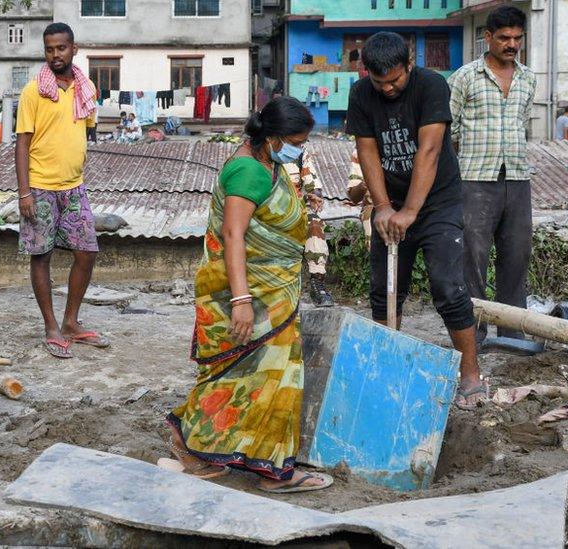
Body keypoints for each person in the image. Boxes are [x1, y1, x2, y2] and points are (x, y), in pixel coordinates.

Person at [163, 96, 333, 493]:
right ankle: (272, 471)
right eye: (295, 141)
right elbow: (233, 235)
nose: (300, 149)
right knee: (274, 374)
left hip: (268, 291)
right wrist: (242, 301)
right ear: (273, 138)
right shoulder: (249, 173)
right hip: (250, 296)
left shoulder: (265, 163)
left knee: (253, 373)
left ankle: (218, 451)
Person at [346, 32, 485, 410]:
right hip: (391, 201)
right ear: (367, 74)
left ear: (409, 65)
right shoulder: (361, 95)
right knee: (385, 289)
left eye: (395, 80)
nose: (388, 89)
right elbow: (368, 151)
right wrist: (383, 207)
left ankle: (470, 376)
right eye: (380, 83)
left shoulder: (431, 85)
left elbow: (430, 150)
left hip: (438, 203)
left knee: (447, 287)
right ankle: (386, 368)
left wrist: (410, 211)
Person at [15, 22, 108, 359]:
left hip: (74, 187)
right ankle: (51, 326)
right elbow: (22, 144)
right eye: (50, 49)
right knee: (42, 257)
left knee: (87, 252)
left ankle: (71, 322)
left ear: (74, 49)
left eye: (61, 48)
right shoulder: (32, 92)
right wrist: (24, 192)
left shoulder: (87, 88)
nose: (56, 55)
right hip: (39, 187)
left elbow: (85, 133)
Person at [449, 5, 538, 352]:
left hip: (517, 177)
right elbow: (449, 131)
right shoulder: (465, 77)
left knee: (517, 255)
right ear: (487, 38)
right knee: (472, 257)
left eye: (517, 38)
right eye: (504, 37)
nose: (511, 44)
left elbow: (522, 124)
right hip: (474, 179)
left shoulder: (528, 79)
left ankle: (513, 335)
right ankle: (472, 335)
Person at [282, 144, 334, 306]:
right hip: (265, 212)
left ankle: (317, 282)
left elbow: (313, 185)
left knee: (315, 223)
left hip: (295, 210)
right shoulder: (257, 152)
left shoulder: (298, 151)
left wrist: (314, 195)